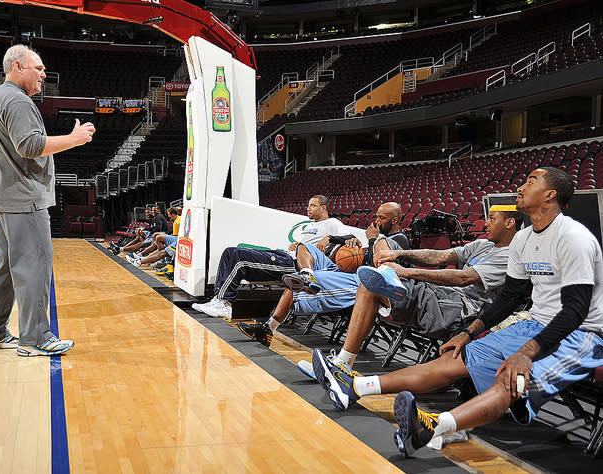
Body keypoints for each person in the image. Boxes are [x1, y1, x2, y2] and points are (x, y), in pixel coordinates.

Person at [311, 167, 603, 459]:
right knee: (452, 359)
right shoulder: (525, 239)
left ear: (550, 195)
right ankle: (354, 386)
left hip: (581, 334)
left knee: (512, 379)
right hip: (535, 324)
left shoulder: (574, 238)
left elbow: (576, 311)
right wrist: (469, 332)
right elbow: (511, 297)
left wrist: (526, 352)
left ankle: (435, 427)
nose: (521, 187)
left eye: (531, 181)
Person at [0, 45, 95, 356]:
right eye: (37, 68)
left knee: (6, 269)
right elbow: (29, 146)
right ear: (17, 67)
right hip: (22, 199)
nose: (43, 73)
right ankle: (36, 337)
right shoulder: (17, 100)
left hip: (0, 198)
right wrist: (73, 139)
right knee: (35, 266)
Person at [304, 205, 523, 377]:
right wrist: (399, 257)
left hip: (461, 308)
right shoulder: (483, 245)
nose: (485, 223)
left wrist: (407, 272)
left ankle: (342, 364)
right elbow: (442, 256)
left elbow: (464, 278)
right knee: (388, 252)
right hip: (442, 294)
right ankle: (391, 280)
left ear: (510, 223)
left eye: (492, 219)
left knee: (370, 286)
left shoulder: (511, 255)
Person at [236, 202, 409, 347]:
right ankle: (306, 274)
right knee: (304, 248)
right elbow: (361, 254)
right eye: (376, 216)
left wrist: (371, 240)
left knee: (310, 280)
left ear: (394, 220)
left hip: (364, 282)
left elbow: (377, 268)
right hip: (349, 271)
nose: (376, 221)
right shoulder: (380, 237)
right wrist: (339, 239)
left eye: (382, 218)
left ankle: (268, 329)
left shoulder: (400, 241)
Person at [191, 195, 352, 320]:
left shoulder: (333, 223)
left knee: (239, 258)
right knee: (229, 252)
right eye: (308, 205)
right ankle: (218, 299)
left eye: (313, 205)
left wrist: (330, 238)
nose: (308, 208)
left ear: (324, 208)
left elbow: (353, 238)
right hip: (285, 255)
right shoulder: (309, 225)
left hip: (294, 265)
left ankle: (225, 304)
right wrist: (296, 245)